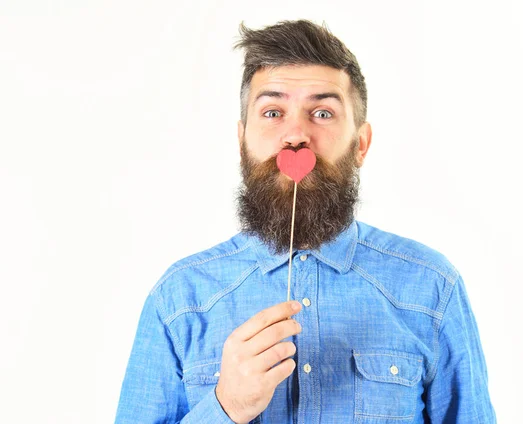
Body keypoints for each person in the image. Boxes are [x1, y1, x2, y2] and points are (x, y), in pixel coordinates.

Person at [115, 19, 496, 424]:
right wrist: (225, 407)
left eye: (322, 112)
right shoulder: (179, 301)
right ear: (242, 140)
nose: (296, 135)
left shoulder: (432, 288)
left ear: (361, 144)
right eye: (273, 111)